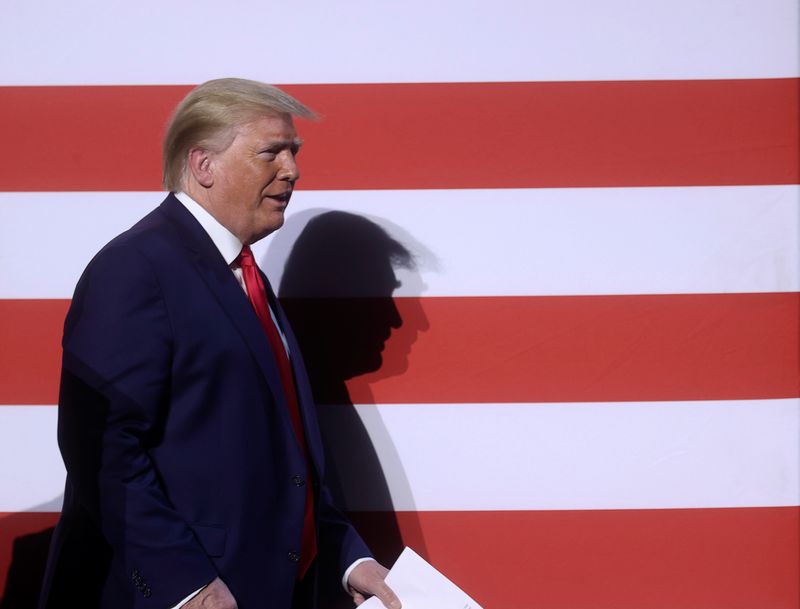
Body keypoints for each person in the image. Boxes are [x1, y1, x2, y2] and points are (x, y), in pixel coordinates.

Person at [38, 78, 401, 609]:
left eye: (294, 151)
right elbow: (100, 448)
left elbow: (287, 451)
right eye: (270, 152)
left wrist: (348, 557)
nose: (293, 169)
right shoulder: (136, 268)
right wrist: (182, 585)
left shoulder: (244, 275)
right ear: (203, 165)